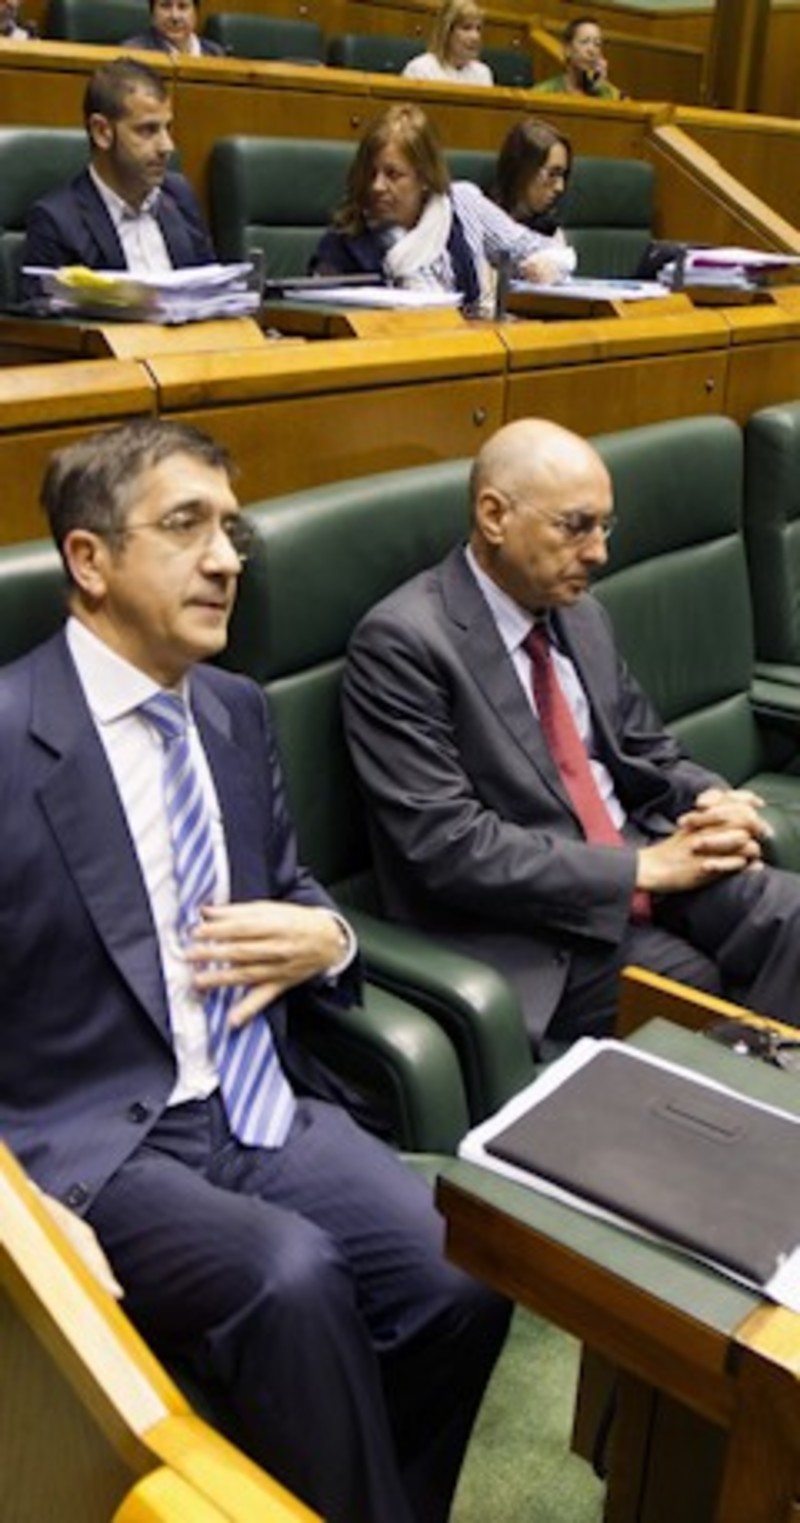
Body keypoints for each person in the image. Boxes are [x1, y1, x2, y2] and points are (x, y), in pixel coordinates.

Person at [0, 417, 510, 1523]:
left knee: (464, 1269)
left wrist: (328, 939)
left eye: (230, 529)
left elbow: (291, 887)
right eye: (186, 526)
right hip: (91, 1139)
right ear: (88, 559)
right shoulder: (7, 734)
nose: (228, 558)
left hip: (258, 1100)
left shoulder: (232, 710)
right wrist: (18, 1207)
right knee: (292, 1278)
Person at [343, 418, 800, 1060]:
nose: (598, 553)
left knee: (793, 915)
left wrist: (712, 799)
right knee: (692, 988)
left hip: (642, 855)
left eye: (604, 527)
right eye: (576, 527)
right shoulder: (403, 643)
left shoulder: (580, 613)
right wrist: (638, 870)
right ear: (494, 516)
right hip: (531, 925)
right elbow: (447, 846)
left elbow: (647, 749)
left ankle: (772, 1097)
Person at [311, 103, 575, 314]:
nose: (377, 186)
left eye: (393, 174)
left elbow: (548, 251)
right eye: (370, 173)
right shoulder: (345, 240)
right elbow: (319, 316)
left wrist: (549, 266)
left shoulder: (462, 204)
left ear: (425, 177)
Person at [22, 58, 215, 285]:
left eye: (167, 129)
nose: (167, 146)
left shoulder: (179, 195)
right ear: (102, 132)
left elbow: (211, 289)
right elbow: (42, 306)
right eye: (147, 130)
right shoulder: (57, 221)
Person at [493, 117, 572, 238]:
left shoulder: (551, 231)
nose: (560, 187)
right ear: (523, 170)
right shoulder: (485, 222)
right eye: (552, 174)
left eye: (563, 175)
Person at [402, 0, 493, 88]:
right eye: (466, 28)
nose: (475, 37)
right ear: (447, 32)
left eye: (478, 29)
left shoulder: (483, 73)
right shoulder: (419, 70)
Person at [534, 16, 622, 101]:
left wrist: (597, 92)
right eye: (584, 42)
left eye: (597, 44)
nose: (592, 50)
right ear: (568, 49)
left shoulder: (610, 95)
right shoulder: (542, 93)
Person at [124, 0, 224, 57]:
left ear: (196, 14)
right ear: (152, 14)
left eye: (182, 6)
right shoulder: (133, 52)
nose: (175, 16)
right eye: (165, 6)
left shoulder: (216, 53)